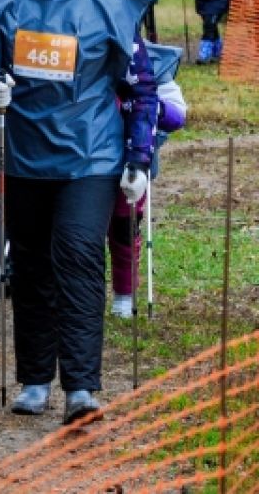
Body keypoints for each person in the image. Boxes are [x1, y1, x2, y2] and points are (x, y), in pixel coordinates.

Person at [0, 0, 157, 425]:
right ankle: (35, 379)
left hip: (90, 154)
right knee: (31, 262)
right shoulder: (9, 4)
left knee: (76, 252)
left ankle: (82, 386)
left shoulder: (112, 7)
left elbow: (140, 85)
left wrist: (139, 157)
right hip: (22, 155)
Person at [106, 41, 186, 318]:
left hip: (129, 160)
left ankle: (124, 296)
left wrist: (150, 108)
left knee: (124, 228)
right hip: (81, 156)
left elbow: (178, 115)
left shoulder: (152, 58)